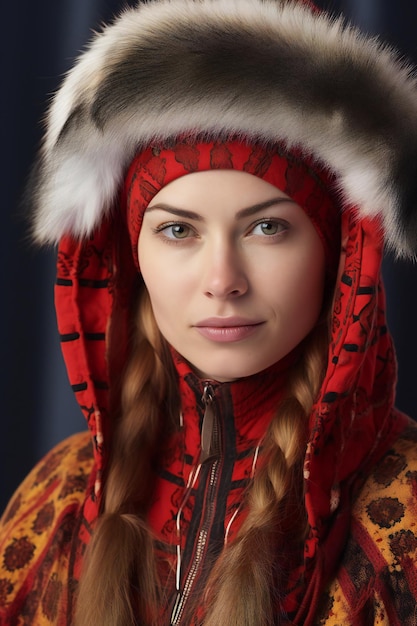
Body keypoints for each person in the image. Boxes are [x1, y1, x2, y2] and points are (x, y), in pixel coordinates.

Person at [1, 0, 417, 624]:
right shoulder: (55, 498)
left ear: (338, 253)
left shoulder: (405, 513)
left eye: (268, 227)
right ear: (130, 254)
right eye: (178, 231)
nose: (223, 281)